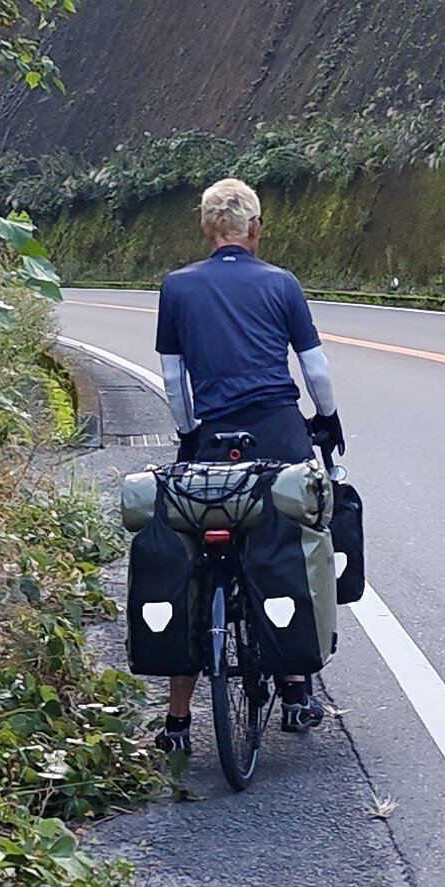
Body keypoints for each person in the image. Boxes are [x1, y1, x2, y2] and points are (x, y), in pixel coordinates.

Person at [151, 177, 340, 752]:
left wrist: (190, 435)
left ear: (207, 228)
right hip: (280, 433)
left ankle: (179, 720)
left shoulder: (177, 287)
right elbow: (316, 372)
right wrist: (326, 421)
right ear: (254, 228)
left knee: (192, 554)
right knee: (286, 542)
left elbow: (172, 380)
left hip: (213, 438)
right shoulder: (281, 284)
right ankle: (296, 687)